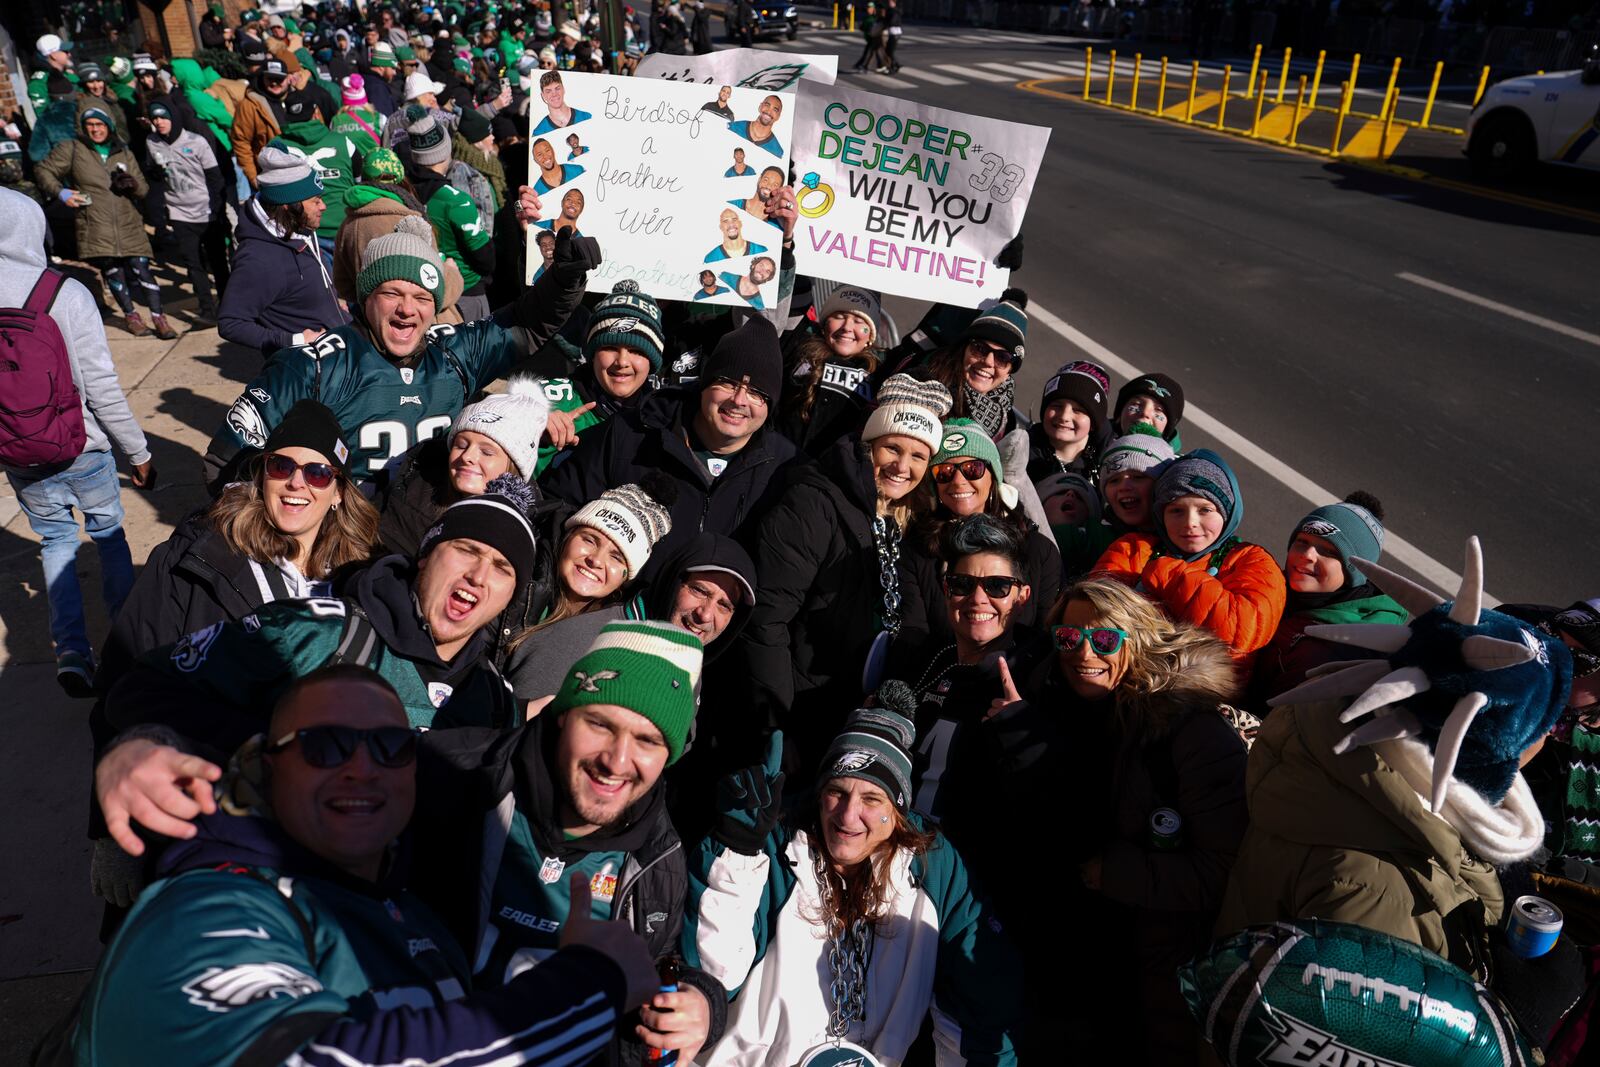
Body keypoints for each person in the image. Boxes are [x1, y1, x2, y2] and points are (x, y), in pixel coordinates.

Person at [70, 666, 662, 1067]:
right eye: (325, 745)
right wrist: (590, 986)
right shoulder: (206, 905)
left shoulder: (409, 910)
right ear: (267, 766)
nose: (361, 768)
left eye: (391, 746)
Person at [1216, 542, 1572, 977]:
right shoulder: (1378, 891)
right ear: (1500, 748)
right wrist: (1516, 1023)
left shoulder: (1330, 760)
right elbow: (1360, 1035)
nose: (1549, 741)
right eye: (1548, 727)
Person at [412, 622, 726, 1062]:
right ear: (561, 714)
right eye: (600, 723)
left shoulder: (659, 853)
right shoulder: (451, 777)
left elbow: (657, 962)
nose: (616, 761)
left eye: (647, 741)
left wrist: (702, 1003)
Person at [986, 576, 1247, 1062]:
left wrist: (1109, 873)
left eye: (1105, 639)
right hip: (1061, 955)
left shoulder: (1192, 732)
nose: (1084, 653)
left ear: (1140, 639)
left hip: (1149, 971)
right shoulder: (1045, 705)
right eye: (1069, 638)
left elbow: (1221, 873)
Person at [685, 708, 1022, 1065]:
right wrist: (736, 849)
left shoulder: (930, 868)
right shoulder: (773, 852)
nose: (847, 816)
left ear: (897, 811)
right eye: (837, 792)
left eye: (871, 799)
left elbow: (983, 998)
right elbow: (712, 979)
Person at [206, 195, 597, 486]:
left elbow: (526, 324)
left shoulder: (452, 354)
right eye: (392, 293)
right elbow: (226, 463)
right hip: (341, 556)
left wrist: (565, 279)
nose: (408, 310)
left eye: (423, 298)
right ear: (365, 297)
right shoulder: (313, 365)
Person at [741, 374, 951, 772]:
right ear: (868, 445)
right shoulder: (814, 502)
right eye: (892, 448)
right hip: (796, 712)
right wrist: (776, 726)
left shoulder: (905, 518)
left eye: (918, 456)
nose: (902, 466)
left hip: (847, 711)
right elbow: (766, 618)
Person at [99, 401, 379, 699]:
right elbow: (124, 682)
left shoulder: (367, 578)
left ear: (338, 492)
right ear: (262, 476)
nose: (296, 483)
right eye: (281, 466)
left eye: (318, 473)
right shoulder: (191, 561)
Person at [0, 188, 155, 696]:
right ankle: (127, 642)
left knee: (56, 542)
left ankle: (71, 650)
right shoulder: (63, 293)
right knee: (109, 536)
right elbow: (103, 387)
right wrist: (138, 452)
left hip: (19, 454)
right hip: (81, 447)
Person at [542, 317, 798, 578]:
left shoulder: (784, 467)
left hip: (708, 614)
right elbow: (559, 509)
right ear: (704, 385)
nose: (739, 400)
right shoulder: (631, 434)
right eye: (728, 383)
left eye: (756, 392)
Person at [1095, 448, 1286, 664]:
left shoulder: (1252, 560)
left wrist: (1170, 575)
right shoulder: (1135, 548)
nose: (1189, 523)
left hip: (1204, 693)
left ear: (1227, 512)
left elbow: (1243, 631)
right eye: (1176, 511)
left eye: (1205, 510)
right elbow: (1096, 611)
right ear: (1161, 515)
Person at [504, 478, 676, 703]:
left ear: (626, 576)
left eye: (616, 557)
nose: (595, 560)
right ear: (567, 537)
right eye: (590, 540)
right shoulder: (515, 579)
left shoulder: (614, 640)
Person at [897, 417, 1061, 644]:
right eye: (944, 472)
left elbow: (1047, 638)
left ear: (993, 476)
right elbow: (912, 635)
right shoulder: (917, 549)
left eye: (972, 469)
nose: (958, 481)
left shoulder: (1038, 551)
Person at [1248, 492, 1405, 711]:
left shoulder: (1340, 646)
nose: (1308, 554)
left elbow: (1275, 717)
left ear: (1356, 571)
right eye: (1302, 541)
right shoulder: (1272, 588)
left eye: (1328, 551)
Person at [36, 108, 176, 339]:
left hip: (128, 223)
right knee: (114, 274)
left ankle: (159, 317)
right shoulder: (73, 149)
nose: (95, 129)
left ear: (109, 126)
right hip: (96, 223)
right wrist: (61, 193)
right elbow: (44, 170)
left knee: (143, 270)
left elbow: (144, 190)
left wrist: (132, 184)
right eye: (89, 124)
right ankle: (131, 317)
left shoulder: (123, 152)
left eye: (99, 124)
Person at [374, 385, 551, 560]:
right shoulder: (410, 491)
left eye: (486, 452)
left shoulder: (531, 534)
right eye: (461, 445)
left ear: (515, 469)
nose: (467, 456)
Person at [218, 147, 349, 358]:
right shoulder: (258, 260)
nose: (323, 206)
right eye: (315, 200)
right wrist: (295, 341)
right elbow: (230, 323)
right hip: (307, 373)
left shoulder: (302, 231)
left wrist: (335, 308)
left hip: (339, 359)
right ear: (291, 205)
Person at [532, 280, 666, 475]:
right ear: (592, 354)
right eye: (610, 348)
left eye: (636, 351)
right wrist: (531, 430)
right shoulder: (544, 399)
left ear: (652, 361)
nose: (622, 361)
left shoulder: (664, 414)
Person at [331, 147, 467, 325]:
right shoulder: (410, 222)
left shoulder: (349, 223)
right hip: (422, 328)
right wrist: (452, 273)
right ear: (402, 179)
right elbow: (432, 288)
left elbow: (344, 287)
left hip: (375, 324)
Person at [402, 107, 496, 321]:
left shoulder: (404, 192)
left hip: (422, 287)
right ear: (445, 150)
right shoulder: (456, 201)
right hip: (466, 293)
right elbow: (486, 259)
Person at [143, 101, 225, 327]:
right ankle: (207, 310)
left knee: (217, 263)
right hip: (179, 212)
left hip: (206, 211)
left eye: (163, 117)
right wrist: (155, 173)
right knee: (193, 263)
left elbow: (215, 178)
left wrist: (217, 209)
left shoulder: (196, 142)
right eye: (154, 118)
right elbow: (153, 176)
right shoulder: (152, 142)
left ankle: (228, 307)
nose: (158, 122)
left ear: (174, 118)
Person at [777, 285, 884, 455]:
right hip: (777, 458)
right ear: (825, 323)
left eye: (858, 321)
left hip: (828, 474)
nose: (847, 327)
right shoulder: (799, 347)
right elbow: (793, 294)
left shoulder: (880, 373)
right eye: (839, 316)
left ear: (870, 335)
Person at [1025, 359, 1111, 485]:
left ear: (1093, 423)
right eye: (1057, 406)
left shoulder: (1109, 463)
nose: (1064, 416)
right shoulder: (1022, 451)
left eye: (1078, 410)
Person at [231, 57, 299, 188]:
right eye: (270, 78)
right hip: (270, 174)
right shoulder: (249, 105)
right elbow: (241, 142)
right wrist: (253, 177)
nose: (274, 83)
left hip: (299, 170)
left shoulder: (299, 100)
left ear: (288, 79)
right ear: (262, 78)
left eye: (279, 79)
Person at [1096, 423, 1174, 535]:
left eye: (1138, 477)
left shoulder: (1191, 537)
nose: (1124, 486)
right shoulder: (1092, 537)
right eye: (1114, 480)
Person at [1114, 372, 1184, 447]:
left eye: (1158, 409)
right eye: (1136, 404)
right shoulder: (1101, 442)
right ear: (1120, 414)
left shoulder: (1172, 458)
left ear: (1167, 428)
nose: (1145, 413)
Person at [532, 70, 591, 135]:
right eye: (548, 91)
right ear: (543, 96)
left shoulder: (586, 117)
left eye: (557, 88)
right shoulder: (539, 132)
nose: (554, 94)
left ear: (563, 89)